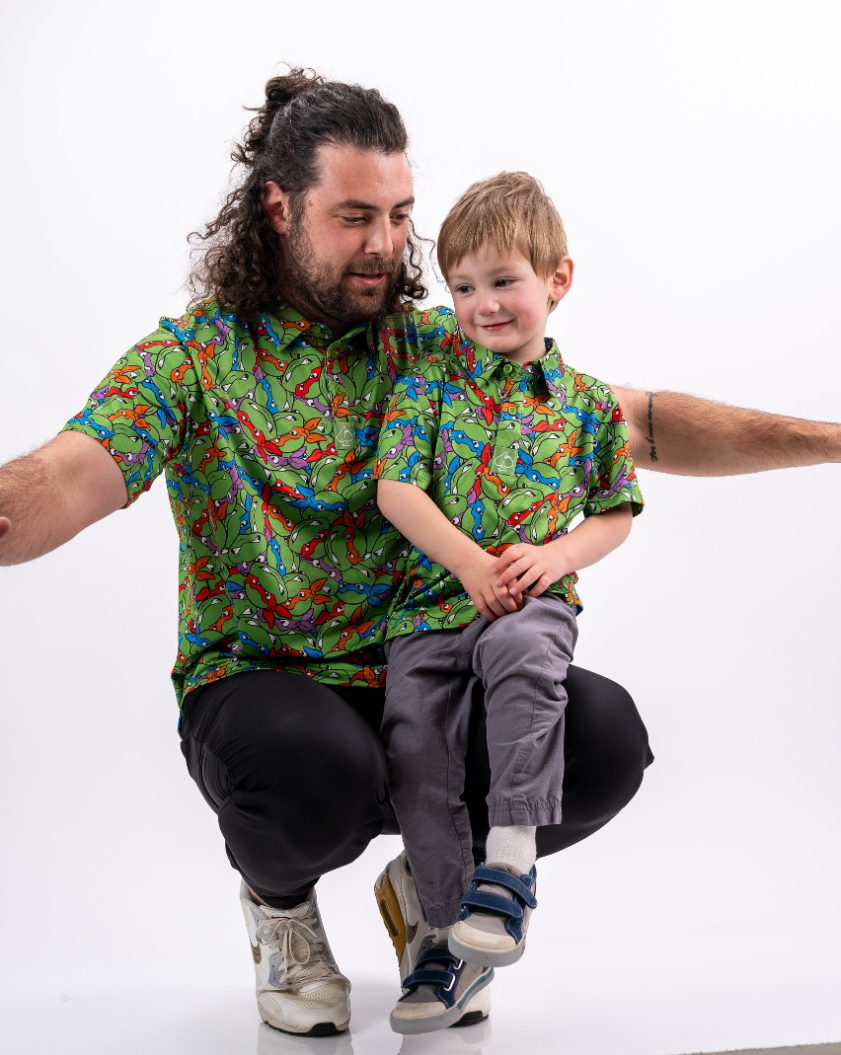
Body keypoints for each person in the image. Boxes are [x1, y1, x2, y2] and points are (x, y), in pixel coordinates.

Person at [0, 68, 839, 1039]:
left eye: (400, 215)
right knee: (322, 767)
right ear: (278, 206)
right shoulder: (192, 361)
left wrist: (829, 437)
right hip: (269, 691)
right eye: (356, 215)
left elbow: (638, 424)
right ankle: (279, 909)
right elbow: (66, 476)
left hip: (428, 663)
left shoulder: (440, 348)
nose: (386, 246)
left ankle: (436, 883)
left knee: (602, 735)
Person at [374, 171, 644, 1033]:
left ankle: (512, 860)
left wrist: (555, 554)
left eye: (502, 282)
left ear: (555, 280)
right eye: (463, 288)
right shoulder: (429, 385)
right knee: (417, 744)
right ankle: (452, 942)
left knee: (527, 666)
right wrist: (462, 563)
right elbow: (395, 490)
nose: (482, 304)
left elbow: (615, 512)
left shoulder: (588, 406)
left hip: (529, 600)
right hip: (430, 606)